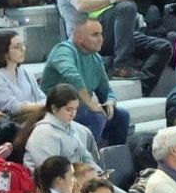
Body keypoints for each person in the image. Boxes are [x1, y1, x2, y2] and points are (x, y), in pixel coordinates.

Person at [42, 18, 131, 146]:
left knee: (122, 115)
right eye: (95, 35)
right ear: (79, 38)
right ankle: (87, 161)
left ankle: (114, 158)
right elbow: (73, 77)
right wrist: (91, 104)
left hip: (82, 109)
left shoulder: (96, 58)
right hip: (57, 110)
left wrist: (110, 103)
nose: (101, 39)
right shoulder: (63, 50)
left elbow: (106, 91)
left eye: (101, 34)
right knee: (97, 116)